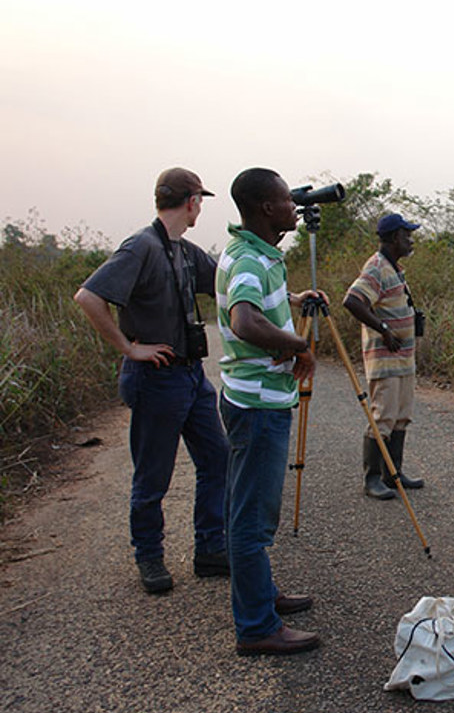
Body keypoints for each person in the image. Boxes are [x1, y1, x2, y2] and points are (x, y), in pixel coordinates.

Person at [74, 167, 229, 595]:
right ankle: (149, 556)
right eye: (200, 201)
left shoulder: (183, 250)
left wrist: (289, 296)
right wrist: (129, 348)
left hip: (190, 375)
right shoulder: (142, 246)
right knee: (153, 475)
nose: (200, 208)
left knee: (217, 458)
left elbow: (227, 283)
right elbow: (89, 296)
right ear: (192, 201)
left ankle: (211, 549)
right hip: (156, 376)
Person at [217, 167, 323, 656]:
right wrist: (298, 343)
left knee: (249, 509)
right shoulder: (248, 260)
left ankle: (263, 597)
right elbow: (244, 319)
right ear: (265, 208)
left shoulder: (257, 255)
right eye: (286, 200)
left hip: (256, 397)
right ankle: (257, 626)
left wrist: (296, 299)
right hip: (258, 403)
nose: (293, 207)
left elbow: (259, 303)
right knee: (251, 518)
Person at [342, 213, 426, 500]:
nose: (410, 240)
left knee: (401, 417)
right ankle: (373, 478)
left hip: (402, 358)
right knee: (384, 417)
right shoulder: (376, 267)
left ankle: (394, 473)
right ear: (393, 238)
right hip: (386, 358)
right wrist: (384, 328)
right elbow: (352, 300)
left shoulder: (393, 268)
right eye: (406, 235)